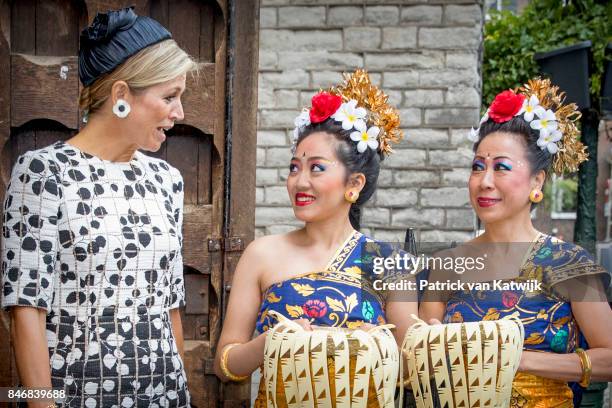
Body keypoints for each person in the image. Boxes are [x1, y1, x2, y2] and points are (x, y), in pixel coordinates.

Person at [1, 7, 199, 407]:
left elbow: (171, 304)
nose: (179, 113)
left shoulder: (167, 180)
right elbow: (26, 311)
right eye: (169, 97)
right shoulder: (43, 172)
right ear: (122, 95)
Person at [213, 70, 418, 406]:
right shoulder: (262, 254)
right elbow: (226, 364)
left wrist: (380, 347)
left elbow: (412, 371)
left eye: (316, 168)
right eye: (295, 168)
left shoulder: (390, 263)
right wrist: (267, 343)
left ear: (354, 185)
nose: (299, 181)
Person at [420, 78, 612, 407]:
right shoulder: (447, 264)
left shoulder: (568, 263)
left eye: (502, 167)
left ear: (537, 181)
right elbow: (418, 365)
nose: (485, 181)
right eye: (477, 167)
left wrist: (518, 359)